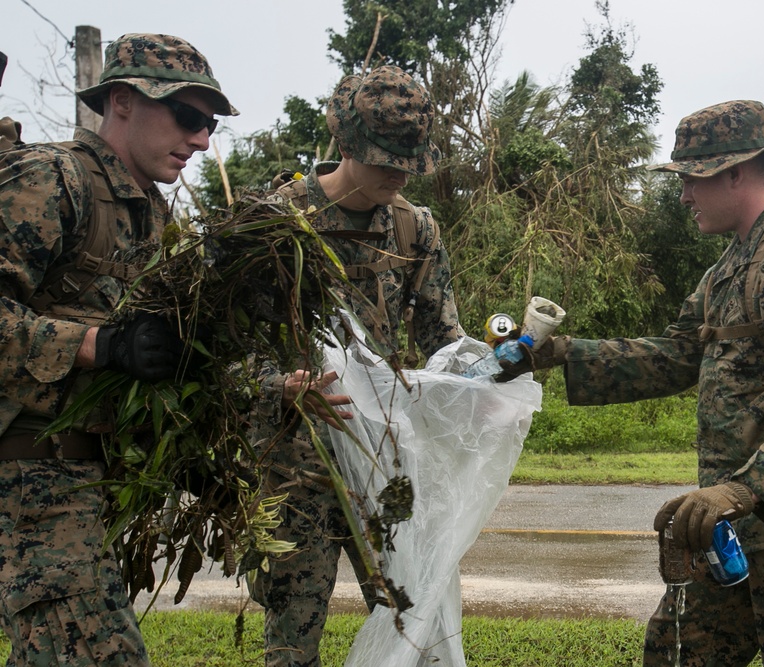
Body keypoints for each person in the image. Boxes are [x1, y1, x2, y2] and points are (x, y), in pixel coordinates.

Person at [499, 100, 764, 666]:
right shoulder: (733, 264)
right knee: (677, 653)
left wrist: (738, 490)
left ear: (736, 171)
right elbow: (679, 354)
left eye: (691, 179)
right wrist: (561, 355)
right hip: (737, 517)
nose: (683, 196)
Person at [0, 34, 237, 666]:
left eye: (209, 125)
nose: (201, 141)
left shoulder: (152, 216)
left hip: (81, 482)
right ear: (124, 101)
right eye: (187, 118)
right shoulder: (50, 180)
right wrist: (92, 345)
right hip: (28, 481)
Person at [247, 65, 464, 667]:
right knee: (292, 640)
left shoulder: (414, 227)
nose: (397, 175)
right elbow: (232, 349)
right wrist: (277, 387)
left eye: (408, 162)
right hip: (296, 462)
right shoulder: (275, 219)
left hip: (386, 462)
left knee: (416, 624)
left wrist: (481, 375)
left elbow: (442, 338)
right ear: (345, 144)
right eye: (383, 160)